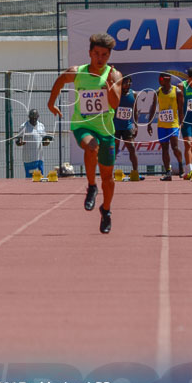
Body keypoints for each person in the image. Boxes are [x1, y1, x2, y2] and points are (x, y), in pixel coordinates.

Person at [48, 33, 122, 234]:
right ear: (90, 53)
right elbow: (60, 81)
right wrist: (51, 103)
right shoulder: (78, 72)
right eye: (96, 53)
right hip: (83, 125)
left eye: (104, 55)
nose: (100, 58)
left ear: (109, 56)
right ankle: (91, 186)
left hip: (106, 129)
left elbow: (115, 104)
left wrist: (109, 90)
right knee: (91, 146)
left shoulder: (114, 76)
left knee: (108, 178)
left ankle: (106, 210)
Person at [147, 72, 184, 180]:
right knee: (164, 148)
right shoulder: (158, 92)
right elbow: (153, 108)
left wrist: (181, 122)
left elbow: (181, 109)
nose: (159, 81)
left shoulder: (177, 91)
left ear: (167, 79)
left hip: (173, 124)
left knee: (175, 147)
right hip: (162, 125)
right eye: (159, 79)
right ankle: (168, 172)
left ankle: (181, 167)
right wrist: (149, 123)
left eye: (161, 79)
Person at [113, 76, 140, 179]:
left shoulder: (133, 94)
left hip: (127, 126)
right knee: (114, 149)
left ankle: (135, 172)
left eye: (129, 83)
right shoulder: (116, 93)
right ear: (121, 84)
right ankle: (110, 172)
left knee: (132, 148)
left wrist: (136, 126)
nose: (127, 85)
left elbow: (135, 111)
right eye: (125, 83)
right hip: (115, 125)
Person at [16, 109, 52, 178]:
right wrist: (20, 142)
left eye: (35, 118)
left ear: (38, 117)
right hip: (29, 159)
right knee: (30, 179)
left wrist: (47, 141)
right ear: (29, 117)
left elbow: (44, 140)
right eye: (32, 118)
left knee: (40, 177)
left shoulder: (41, 126)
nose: (34, 119)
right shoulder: (24, 127)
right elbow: (18, 141)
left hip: (40, 158)